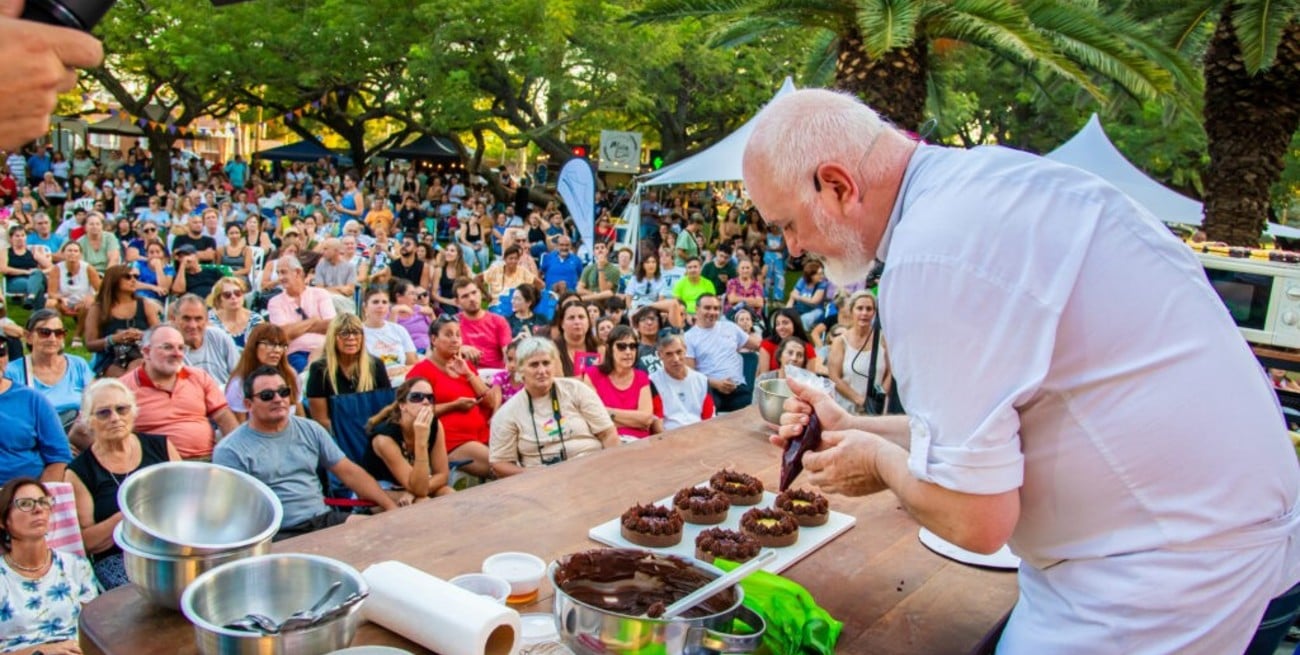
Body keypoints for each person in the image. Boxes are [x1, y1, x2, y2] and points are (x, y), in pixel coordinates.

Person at [748, 88, 1300, 653]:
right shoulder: (991, 186)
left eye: (788, 224)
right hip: (1214, 541)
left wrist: (877, 463)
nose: (791, 248)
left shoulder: (932, 254)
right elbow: (999, 424)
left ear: (838, 186)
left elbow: (975, 520)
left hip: (1166, 579)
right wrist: (856, 426)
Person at [214, 366, 397, 541]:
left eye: (284, 392)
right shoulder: (230, 450)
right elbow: (232, 512)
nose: (278, 399)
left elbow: (349, 472)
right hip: (275, 533)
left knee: (383, 533)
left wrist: (391, 508)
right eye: (267, 395)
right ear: (248, 404)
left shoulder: (309, 429)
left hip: (321, 519)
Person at [65, 379, 181, 589]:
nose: (115, 418)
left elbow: (190, 499)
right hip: (119, 558)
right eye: (103, 413)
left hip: (173, 547)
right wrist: (129, 514)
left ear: (133, 412)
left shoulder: (162, 447)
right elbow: (86, 542)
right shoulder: (79, 472)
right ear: (88, 421)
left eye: (121, 409)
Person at [488, 337, 618, 477]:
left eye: (546, 363)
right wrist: (530, 474)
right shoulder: (507, 413)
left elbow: (608, 434)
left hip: (593, 468)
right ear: (520, 370)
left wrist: (610, 469)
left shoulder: (577, 390)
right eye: (534, 365)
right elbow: (499, 464)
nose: (542, 370)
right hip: (543, 479)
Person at [0, 478, 99, 653]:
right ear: (3, 520)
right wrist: (42, 651)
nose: (38, 509)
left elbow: (95, 630)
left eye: (43, 502)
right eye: (25, 504)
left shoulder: (76, 567)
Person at [122, 325, 238, 461]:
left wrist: (236, 454)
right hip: (156, 466)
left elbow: (224, 416)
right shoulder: (124, 389)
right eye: (167, 347)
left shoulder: (199, 377)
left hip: (206, 461)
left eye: (181, 348)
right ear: (146, 352)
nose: (177, 353)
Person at [407, 316, 495, 478]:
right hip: (451, 443)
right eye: (448, 334)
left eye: (458, 335)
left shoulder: (465, 366)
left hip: (483, 434)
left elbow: (489, 403)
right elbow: (413, 413)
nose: (455, 340)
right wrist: (454, 405)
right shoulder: (421, 372)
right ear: (434, 339)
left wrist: (468, 374)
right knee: (502, 467)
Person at [362, 377, 454, 503]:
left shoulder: (435, 425)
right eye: (417, 397)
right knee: (423, 502)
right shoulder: (384, 439)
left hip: (414, 484)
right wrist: (421, 441)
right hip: (380, 490)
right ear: (402, 405)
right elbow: (420, 490)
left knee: (448, 493)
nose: (426, 402)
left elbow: (442, 475)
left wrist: (412, 492)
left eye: (430, 398)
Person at [5, 310, 91, 432]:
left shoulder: (78, 364)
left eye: (59, 333)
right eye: (44, 333)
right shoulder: (12, 371)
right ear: (28, 337)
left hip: (78, 430)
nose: (52, 338)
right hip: (36, 434)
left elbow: (95, 403)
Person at [306, 314, 391, 435]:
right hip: (336, 435)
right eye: (344, 333)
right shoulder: (319, 370)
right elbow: (321, 420)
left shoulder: (376, 365)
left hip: (372, 431)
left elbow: (385, 409)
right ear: (333, 337)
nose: (351, 338)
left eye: (356, 333)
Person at [684, 294, 760, 412]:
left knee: (751, 412)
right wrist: (715, 383)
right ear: (696, 309)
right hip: (709, 389)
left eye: (716, 308)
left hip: (737, 387)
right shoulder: (689, 337)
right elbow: (691, 374)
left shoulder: (730, 328)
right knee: (710, 414)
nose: (712, 312)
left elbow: (757, 345)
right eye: (707, 308)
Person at [84, 265, 162, 377]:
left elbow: (160, 334)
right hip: (110, 357)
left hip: (140, 354)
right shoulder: (98, 308)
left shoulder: (144, 304)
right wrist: (114, 339)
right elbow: (90, 344)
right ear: (114, 280)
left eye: (136, 276)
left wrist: (142, 335)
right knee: (127, 377)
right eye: (127, 277)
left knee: (136, 367)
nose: (133, 280)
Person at [583, 326, 658, 440]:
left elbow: (646, 420)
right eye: (621, 346)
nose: (628, 352)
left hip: (639, 444)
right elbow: (592, 417)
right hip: (607, 442)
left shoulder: (642, 377)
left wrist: (607, 412)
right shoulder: (593, 374)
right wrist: (634, 421)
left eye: (633, 346)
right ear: (609, 348)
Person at [268, 255, 336, 373]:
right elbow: (283, 333)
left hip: (325, 350)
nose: (280, 277)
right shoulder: (275, 302)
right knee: (311, 374)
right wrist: (313, 320)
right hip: (295, 353)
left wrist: (295, 327)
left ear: (298, 272)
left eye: (283, 272)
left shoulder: (320, 294)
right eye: (278, 273)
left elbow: (332, 325)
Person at [826, 290, 889, 414]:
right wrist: (860, 400)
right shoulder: (840, 341)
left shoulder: (882, 340)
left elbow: (890, 374)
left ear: (874, 313)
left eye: (869, 309)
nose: (864, 313)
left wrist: (879, 398)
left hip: (876, 410)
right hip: (847, 408)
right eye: (860, 308)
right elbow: (834, 376)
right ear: (851, 311)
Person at [226, 323, 298, 421]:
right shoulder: (239, 384)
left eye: (281, 345)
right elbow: (238, 428)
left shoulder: (291, 375)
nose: (277, 350)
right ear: (254, 346)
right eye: (270, 344)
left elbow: (299, 415)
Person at [170, 294, 240, 387]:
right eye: (186, 319)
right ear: (174, 319)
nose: (193, 325)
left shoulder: (219, 337)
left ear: (206, 320)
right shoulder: (168, 348)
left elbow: (240, 376)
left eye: (198, 319)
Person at [650, 333, 715, 431]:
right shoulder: (653, 381)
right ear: (660, 355)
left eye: (679, 352)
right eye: (669, 354)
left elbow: (709, 416)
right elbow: (656, 422)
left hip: (700, 434)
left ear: (685, 350)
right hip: (669, 437)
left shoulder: (702, 380)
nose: (676, 359)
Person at [452, 278, 511, 369]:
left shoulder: (498, 321)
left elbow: (508, 353)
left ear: (480, 293)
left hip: (494, 376)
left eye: (474, 293)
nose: (471, 298)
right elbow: (438, 351)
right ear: (457, 302)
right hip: (463, 375)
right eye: (465, 296)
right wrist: (460, 349)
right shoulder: (452, 323)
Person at [360, 287, 417, 381]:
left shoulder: (399, 330)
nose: (380, 306)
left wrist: (401, 370)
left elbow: (413, 363)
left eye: (384, 302)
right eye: (375, 302)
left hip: (404, 380)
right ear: (365, 307)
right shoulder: (359, 333)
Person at [206, 277, 261, 349]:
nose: (233, 297)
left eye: (237, 293)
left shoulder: (256, 320)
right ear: (219, 299)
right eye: (227, 295)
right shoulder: (209, 320)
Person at [551, 301, 600, 378]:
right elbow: (558, 383)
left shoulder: (600, 348)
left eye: (581, 317)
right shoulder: (552, 349)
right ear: (562, 323)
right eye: (571, 318)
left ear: (588, 322)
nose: (577, 322)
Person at [787, 260, 829, 331]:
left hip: (815, 310)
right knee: (787, 316)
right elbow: (792, 296)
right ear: (811, 275)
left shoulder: (822, 284)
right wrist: (787, 310)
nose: (822, 276)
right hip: (799, 309)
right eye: (819, 274)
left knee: (804, 319)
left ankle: (802, 334)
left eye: (822, 273)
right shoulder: (802, 281)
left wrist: (798, 297)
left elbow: (814, 301)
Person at [430, 242, 471, 314]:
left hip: (462, 300)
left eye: (452, 251)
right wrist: (450, 302)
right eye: (447, 250)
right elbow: (433, 294)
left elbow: (471, 287)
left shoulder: (465, 269)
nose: (448, 252)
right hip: (445, 301)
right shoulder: (439, 270)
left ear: (458, 255)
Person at [576, 241, 620, 306]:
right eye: (597, 248)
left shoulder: (614, 270)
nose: (600, 250)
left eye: (602, 247)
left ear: (607, 251)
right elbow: (579, 289)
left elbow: (604, 290)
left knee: (609, 293)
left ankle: (580, 299)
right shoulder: (588, 268)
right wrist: (594, 294)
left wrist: (601, 268)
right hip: (590, 300)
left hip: (605, 301)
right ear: (594, 253)